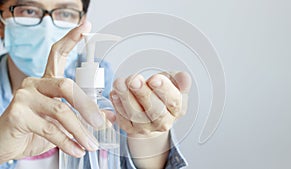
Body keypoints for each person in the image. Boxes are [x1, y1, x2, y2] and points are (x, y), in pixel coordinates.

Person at [0, 0, 192, 169]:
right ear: (1, 23)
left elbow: (135, 159)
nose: (48, 27)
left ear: (82, 22)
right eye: (28, 10)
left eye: (65, 13)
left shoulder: (107, 85)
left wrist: (149, 133)